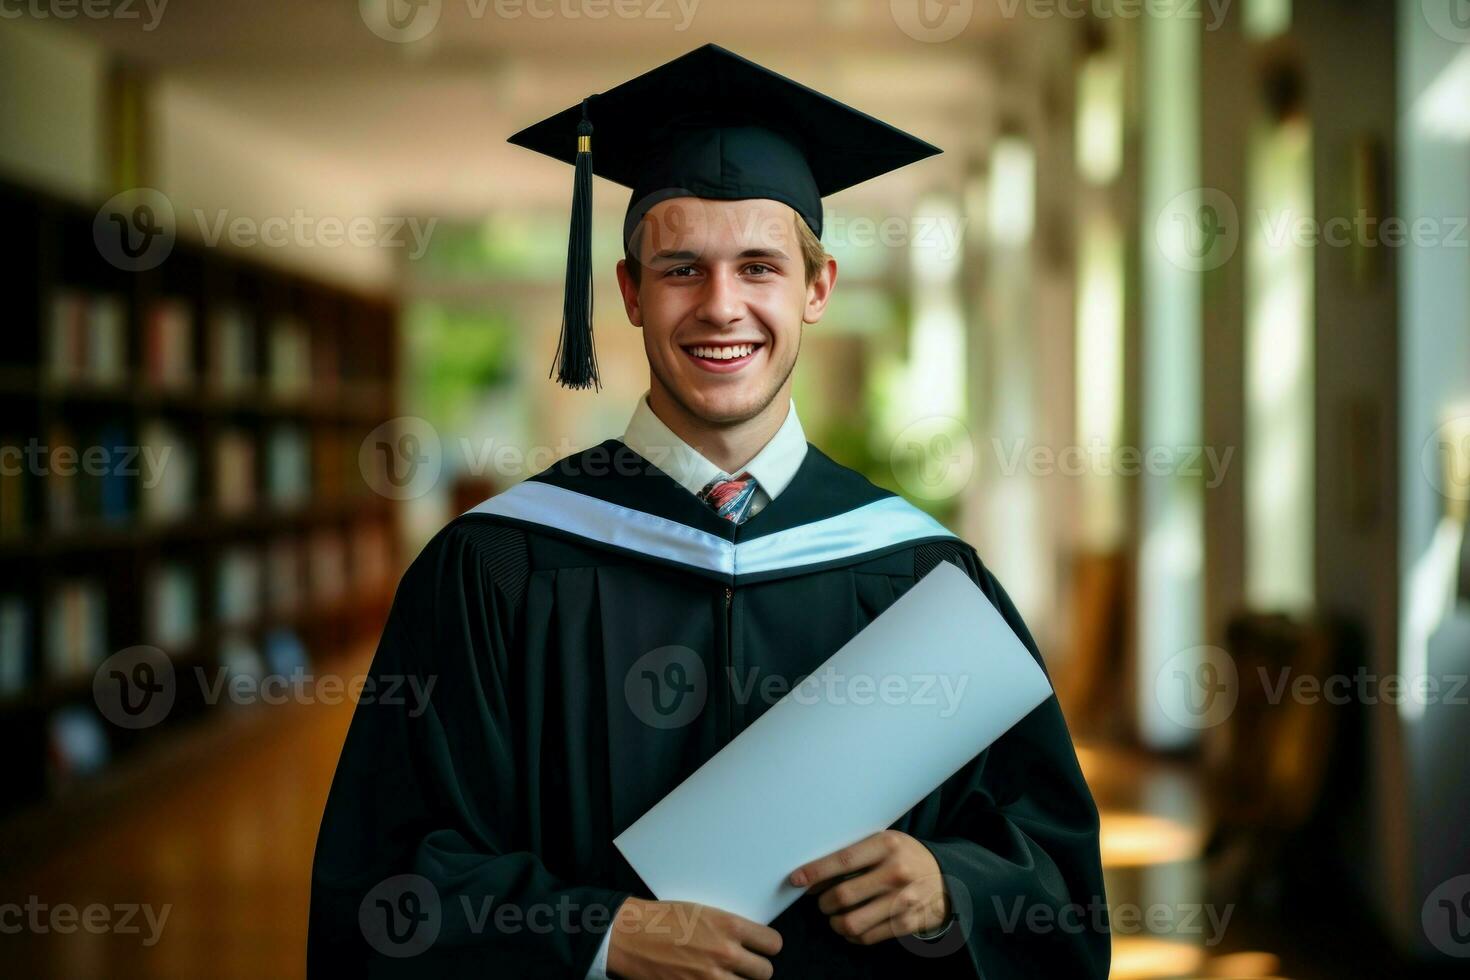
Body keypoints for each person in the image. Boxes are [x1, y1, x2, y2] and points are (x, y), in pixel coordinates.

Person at [308, 43, 1109, 979]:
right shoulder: (498, 569)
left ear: (817, 289)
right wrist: (599, 935)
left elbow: (1058, 875)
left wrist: (951, 887)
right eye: (682, 268)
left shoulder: (921, 573)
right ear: (629, 294)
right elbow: (386, 879)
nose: (721, 307)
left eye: (760, 267)